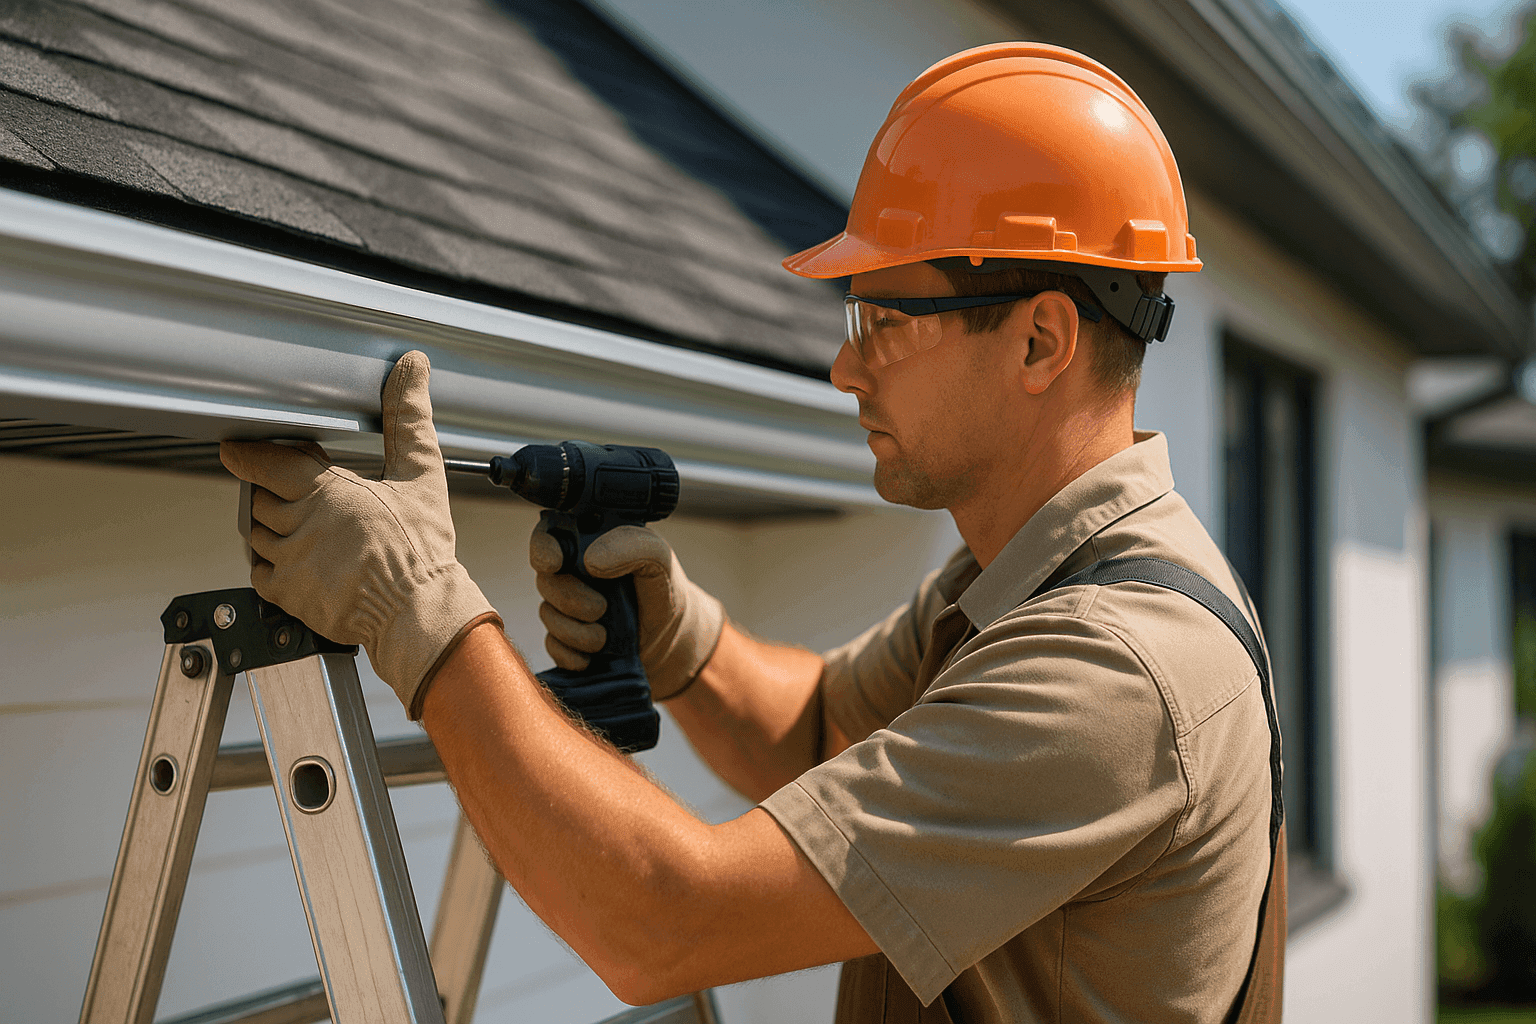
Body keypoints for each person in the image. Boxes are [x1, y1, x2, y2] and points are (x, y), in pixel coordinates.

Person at [220, 42, 1281, 1024]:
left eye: (883, 320)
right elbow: (824, 730)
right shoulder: (1026, 581)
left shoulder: (1113, 670)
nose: (845, 366)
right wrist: (687, 642)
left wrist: (415, 609)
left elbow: (663, 920)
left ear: (1040, 337)